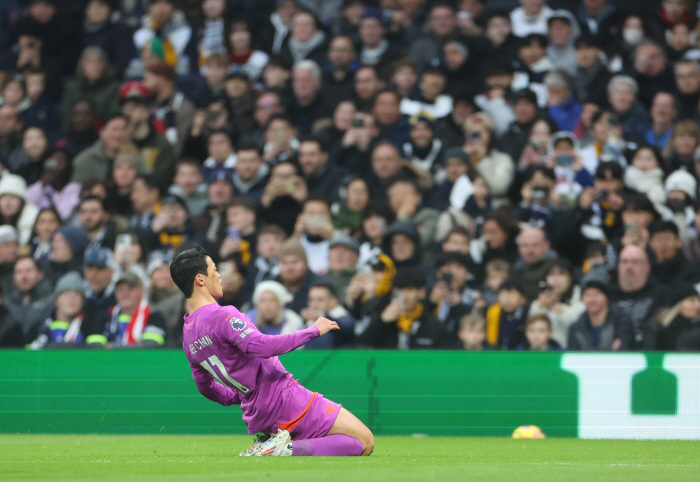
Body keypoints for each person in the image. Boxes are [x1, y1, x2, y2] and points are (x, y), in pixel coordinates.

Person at [171, 244, 374, 457]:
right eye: (214, 270)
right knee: (364, 441)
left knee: (340, 441)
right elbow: (261, 346)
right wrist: (312, 331)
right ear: (200, 280)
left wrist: (240, 396)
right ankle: (284, 449)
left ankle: (277, 445)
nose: (219, 276)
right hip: (285, 398)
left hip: (258, 411)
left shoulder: (189, 335)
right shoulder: (223, 316)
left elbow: (206, 387)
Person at [356, 267, 448, 350]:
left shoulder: (434, 325)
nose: (404, 295)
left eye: (409, 290)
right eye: (399, 290)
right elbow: (360, 346)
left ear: (422, 292)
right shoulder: (381, 316)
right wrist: (382, 321)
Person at [89, 270, 167, 348]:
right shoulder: (106, 315)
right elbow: (94, 346)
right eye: (120, 289)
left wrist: (113, 348)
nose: (124, 294)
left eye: (130, 289)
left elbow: (150, 346)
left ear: (141, 291)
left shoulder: (154, 315)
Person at [567, 272, 633, 351]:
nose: (592, 300)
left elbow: (624, 351)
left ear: (606, 297)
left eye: (597, 294)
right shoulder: (576, 327)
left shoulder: (621, 322)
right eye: (587, 295)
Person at [301, 281, 356, 349]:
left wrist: (321, 316)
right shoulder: (303, 321)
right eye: (311, 300)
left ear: (333, 301)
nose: (314, 304)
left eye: (320, 300)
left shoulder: (345, 318)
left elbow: (345, 330)